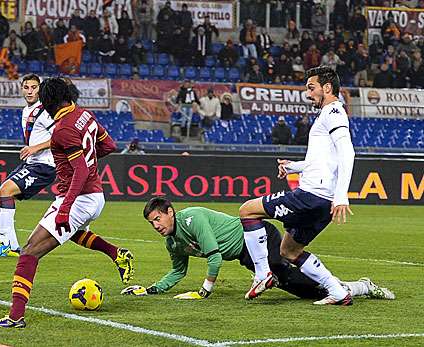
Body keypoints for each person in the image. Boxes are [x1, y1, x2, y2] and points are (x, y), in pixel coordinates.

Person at [0, 77, 135, 328]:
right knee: (72, 234)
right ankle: (116, 253)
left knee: (30, 251)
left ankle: (15, 317)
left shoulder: (63, 128)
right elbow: (109, 145)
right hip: (96, 196)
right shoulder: (84, 114)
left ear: (47, 102)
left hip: (78, 198)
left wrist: (65, 208)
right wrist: (89, 158)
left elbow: (81, 171)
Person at [121, 198, 395, 302]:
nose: (156, 225)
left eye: (158, 218)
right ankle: (356, 287)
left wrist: (204, 290)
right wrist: (151, 289)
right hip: (247, 257)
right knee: (301, 289)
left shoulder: (192, 217)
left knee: (292, 275)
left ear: (170, 212)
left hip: (258, 238)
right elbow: (177, 271)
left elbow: (214, 257)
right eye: (151, 223)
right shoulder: (172, 242)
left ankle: (357, 288)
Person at [238, 66, 356, 305]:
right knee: (288, 251)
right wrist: (294, 167)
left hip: (311, 196)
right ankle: (338, 291)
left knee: (247, 210)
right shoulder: (328, 115)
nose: (308, 93)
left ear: (327, 87)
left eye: (311, 88)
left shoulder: (333, 112)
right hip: (322, 202)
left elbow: (347, 152)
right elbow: (323, 160)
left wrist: (342, 196)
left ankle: (262, 275)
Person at [0, 74, 54, 258]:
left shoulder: (46, 111)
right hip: (31, 163)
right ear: (21, 89)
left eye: (34, 87)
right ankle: (13, 246)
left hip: (44, 165)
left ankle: (5, 242)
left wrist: (35, 148)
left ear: (40, 89)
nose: (30, 91)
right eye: (26, 87)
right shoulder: (26, 110)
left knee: (6, 190)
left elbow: (60, 136)